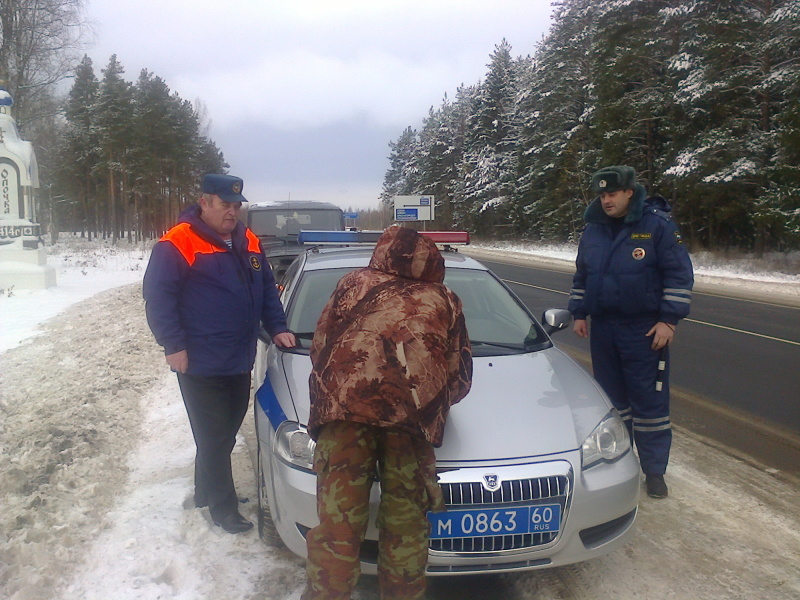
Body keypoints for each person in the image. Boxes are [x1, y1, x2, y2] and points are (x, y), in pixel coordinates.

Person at [301, 226, 473, 600]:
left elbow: (320, 348)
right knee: (406, 527)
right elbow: (458, 377)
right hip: (410, 428)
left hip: (343, 420)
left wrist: (346, 389)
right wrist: (422, 398)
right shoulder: (444, 298)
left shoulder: (351, 284)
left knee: (338, 529)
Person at [143, 173, 295, 533]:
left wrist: (278, 327)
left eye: (236, 205)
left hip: (238, 356)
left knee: (223, 433)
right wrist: (173, 345)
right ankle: (223, 508)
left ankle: (204, 490)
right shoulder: (177, 242)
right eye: (225, 205)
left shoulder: (247, 239)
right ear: (205, 202)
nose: (232, 212)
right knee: (213, 435)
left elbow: (267, 292)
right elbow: (158, 298)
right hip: (198, 359)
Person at [568, 166, 693, 499]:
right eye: (602, 194)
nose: (606, 200)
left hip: (644, 329)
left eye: (612, 194)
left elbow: (679, 275)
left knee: (649, 405)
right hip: (604, 328)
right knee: (612, 404)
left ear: (629, 193)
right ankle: (619, 465)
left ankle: (654, 472)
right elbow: (583, 276)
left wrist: (669, 320)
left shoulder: (656, 225)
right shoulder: (593, 230)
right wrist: (579, 312)